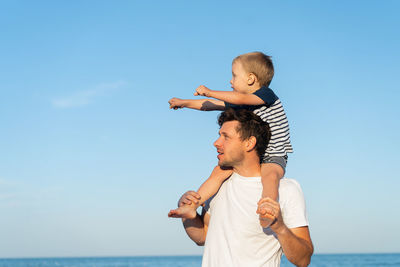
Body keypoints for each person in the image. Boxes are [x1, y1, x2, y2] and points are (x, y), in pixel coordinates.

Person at [168, 52, 292, 228]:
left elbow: (238, 98)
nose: (231, 81)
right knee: (218, 172)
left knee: (270, 176)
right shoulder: (244, 102)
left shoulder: (266, 95)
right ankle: (192, 205)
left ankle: (268, 209)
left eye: (234, 76)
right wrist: (184, 102)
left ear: (251, 79)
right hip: (252, 153)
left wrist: (210, 91)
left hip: (274, 154)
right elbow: (212, 105)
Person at [176, 109, 313, 266]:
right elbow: (202, 237)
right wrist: (188, 215)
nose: (216, 142)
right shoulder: (218, 184)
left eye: (226, 137)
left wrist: (280, 227)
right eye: (219, 135)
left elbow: (303, 260)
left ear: (249, 143)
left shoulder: (286, 189)